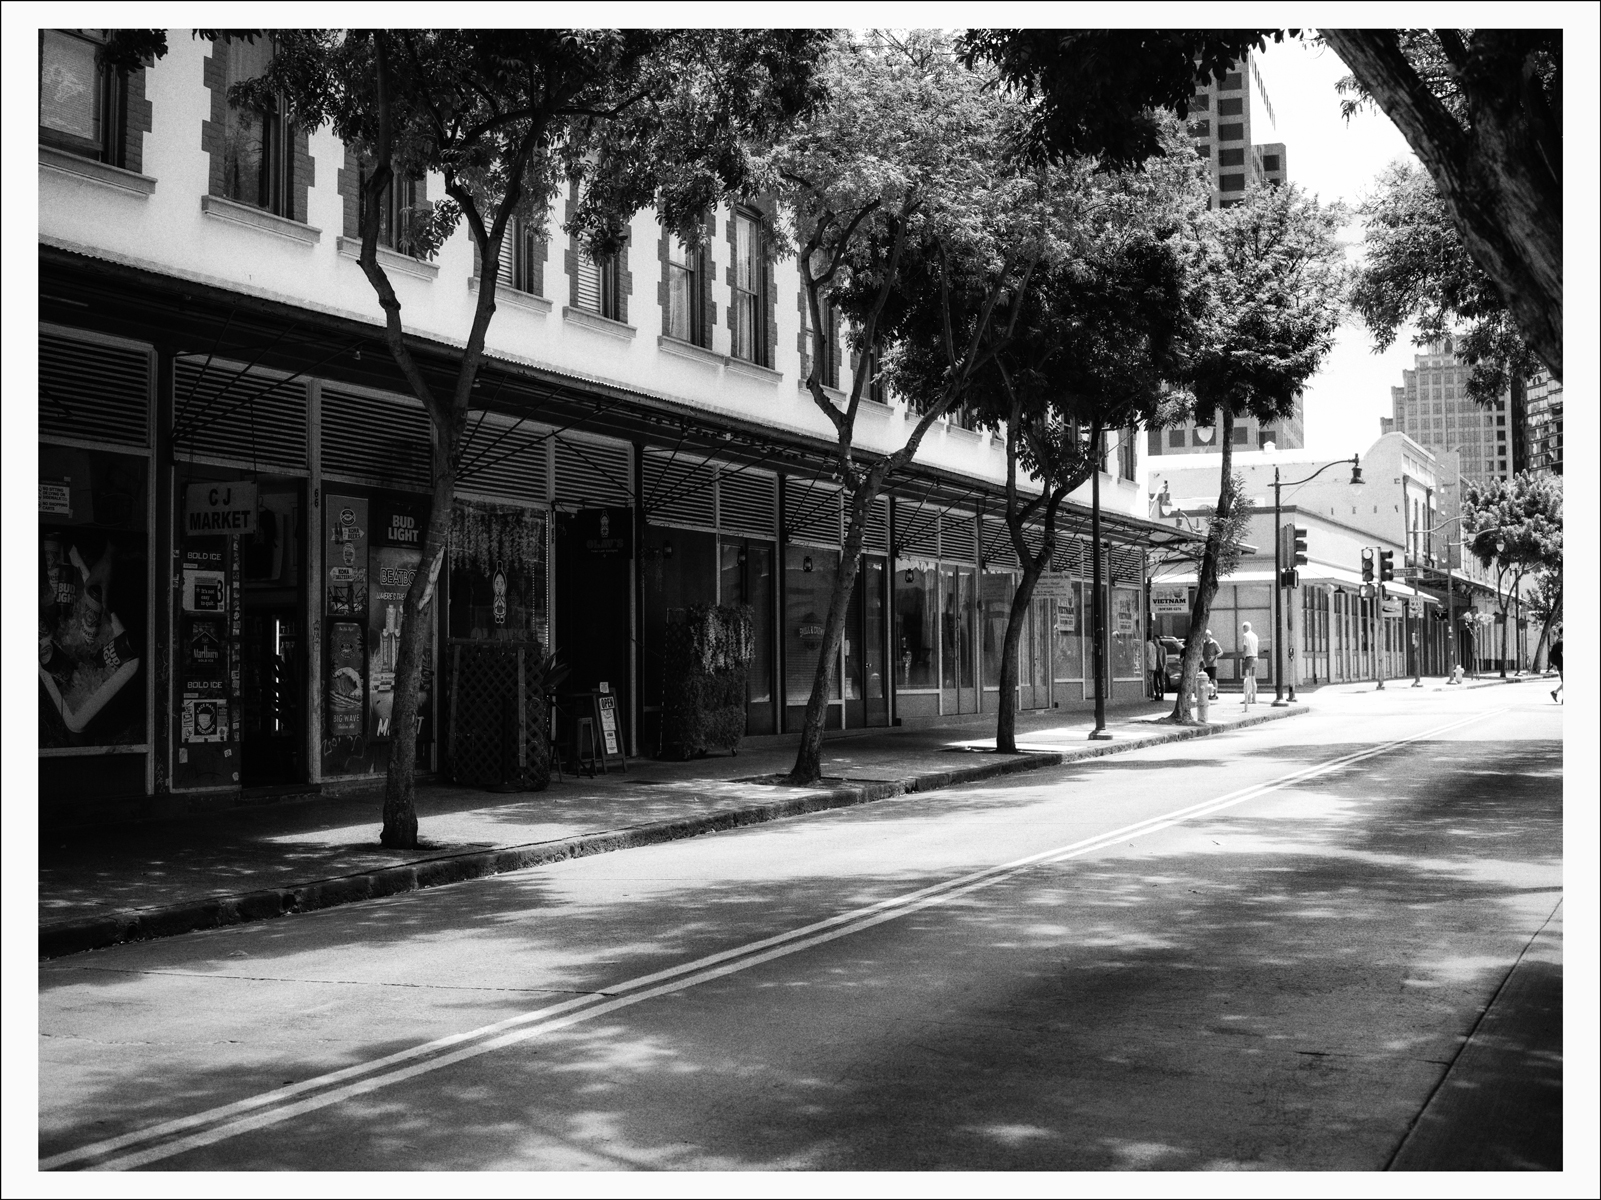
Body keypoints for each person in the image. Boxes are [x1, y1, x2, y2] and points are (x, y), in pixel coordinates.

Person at [1240, 621, 1260, 707]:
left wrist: (1243, 656)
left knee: (1247, 678)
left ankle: (1248, 698)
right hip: (1255, 657)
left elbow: (1245, 647)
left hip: (1249, 658)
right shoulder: (1255, 636)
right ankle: (1254, 698)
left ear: (1245, 627)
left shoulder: (1245, 635)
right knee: (1253, 679)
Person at [1201, 629, 1222, 700]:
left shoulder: (1214, 643)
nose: (1205, 637)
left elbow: (1220, 652)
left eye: (1206, 635)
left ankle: (1215, 694)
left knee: (1213, 679)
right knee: (1207, 679)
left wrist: (1214, 656)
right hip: (1205, 664)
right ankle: (1208, 694)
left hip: (1213, 664)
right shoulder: (1203, 644)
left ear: (1210, 635)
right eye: (1204, 635)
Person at [1550, 634, 1562, 704]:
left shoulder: (1557, 643)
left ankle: (1556, 693)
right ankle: (1555, 692)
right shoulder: (1561, 642)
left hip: (1560, 666)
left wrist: (1554, 664)